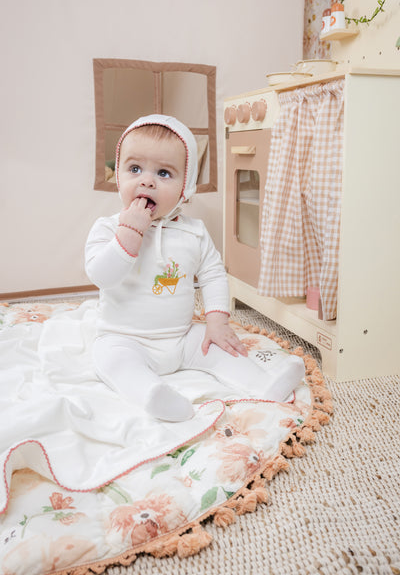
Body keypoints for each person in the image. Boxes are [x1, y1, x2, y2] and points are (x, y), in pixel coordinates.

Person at [85, 114, 305, 422]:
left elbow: (214, 274)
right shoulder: (108, 228)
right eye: (135, 169)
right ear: (119, 177)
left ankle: (264, 384)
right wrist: (129, 234)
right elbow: (101, 276)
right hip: (124, 339)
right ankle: (153, 396)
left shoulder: (194, 232)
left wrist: (217, 321)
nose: (147, 180)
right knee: (112, 361)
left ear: (185, 189)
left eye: (163, 173)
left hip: (181, 336)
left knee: (218, 348)